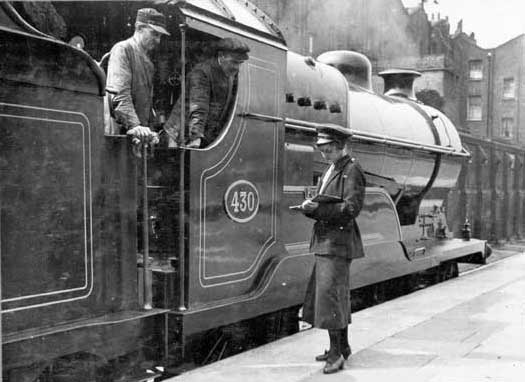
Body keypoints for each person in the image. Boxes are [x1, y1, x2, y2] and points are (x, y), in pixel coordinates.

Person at [299, 124, 366, 374]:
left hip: (337, 243)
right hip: (328, 242)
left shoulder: (352, 170)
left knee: (330, 300)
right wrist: (310, 208)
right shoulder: (334, 168)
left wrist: (316, 210)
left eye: (328, 150)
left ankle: (336, 355)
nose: (324, 155)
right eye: (322, 150)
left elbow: (351, 209)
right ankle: (342, 346)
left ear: (341, 147)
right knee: (333, 297)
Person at [164, 37, 250, 148]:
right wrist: (196, 136)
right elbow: (198, 106)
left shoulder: (230, 74)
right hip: (179, 134)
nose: (237, 67)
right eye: (234, 62)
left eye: (240, 63)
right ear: (221, 55)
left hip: (203, 134)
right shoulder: (202, 72)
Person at [106, 8, 170, 146]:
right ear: (140, 28)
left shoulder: (149, 64)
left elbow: (147, 105)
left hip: (136, 137)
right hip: (120, 133)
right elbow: (120, 94)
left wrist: (151, 132)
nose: (158, 40)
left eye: (160, 36)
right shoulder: (123, 49)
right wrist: (134, 125)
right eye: (154, 34)